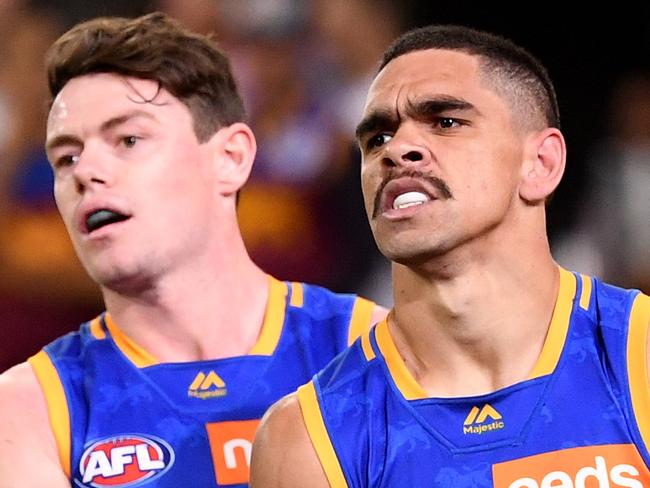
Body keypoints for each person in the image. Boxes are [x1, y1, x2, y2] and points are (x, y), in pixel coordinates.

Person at [250, 24, 650, 487]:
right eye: (377, 138)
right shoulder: (307, 439)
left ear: (541, 164)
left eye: (445, 122)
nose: (397, 149)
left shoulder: (636, 355)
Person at [0, 12, 386, 487]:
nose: (86, 171)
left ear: (231, 158)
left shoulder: (369, 350)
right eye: (66, 157)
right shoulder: (28, 408)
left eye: (128, 139)